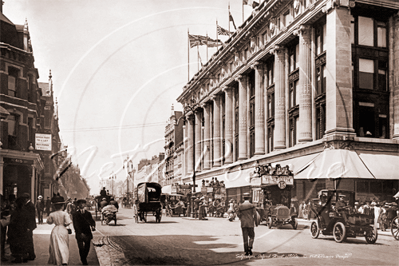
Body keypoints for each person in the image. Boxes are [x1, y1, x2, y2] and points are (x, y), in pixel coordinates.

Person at [47, 195, 72, 265]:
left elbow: (49, 222)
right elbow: (67, 222)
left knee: (55, 246)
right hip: (63, 230)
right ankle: (64, 260)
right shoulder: (65, 214)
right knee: (64, 245)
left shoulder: (52, 214)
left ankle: (57, 261)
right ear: (62, 206)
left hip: (55, 230)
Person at [72, 199, 96, 265]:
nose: (82, 205)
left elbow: (92, 221)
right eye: (80, 204)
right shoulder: (75, 214)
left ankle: (83, 257)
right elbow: (75, 225)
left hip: (87, 232)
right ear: (78, 205)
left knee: (87, 247)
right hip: (79, 233)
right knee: (81, 248)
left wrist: (93, 226)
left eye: (83, 203)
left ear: (85, 205)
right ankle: (83, 260)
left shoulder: (88, 213)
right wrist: (80, 233)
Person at [8, 197, 29, 263]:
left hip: (16, 231)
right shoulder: (25, 211)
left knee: (16, 244)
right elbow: (27, 221)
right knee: (23, 243)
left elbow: (12, 222)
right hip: (23, 230)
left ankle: (18, 258)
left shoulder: (15, 212)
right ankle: (25, 256)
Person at [21, 193, 37, 260]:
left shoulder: (30, 205)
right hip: (28, 226)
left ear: (26, 199)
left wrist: (29, 227)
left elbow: (31, 217)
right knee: (28, 240)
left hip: (29, 226)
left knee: (29, 240)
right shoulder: (29, 204)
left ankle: (31, 255)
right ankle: (30, 254)